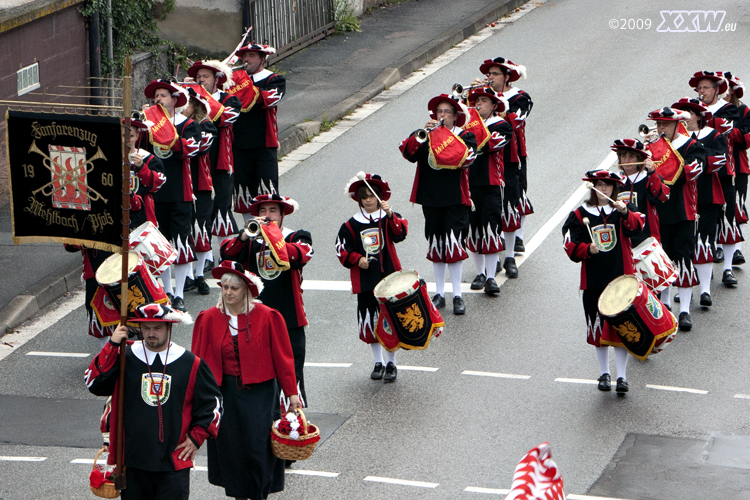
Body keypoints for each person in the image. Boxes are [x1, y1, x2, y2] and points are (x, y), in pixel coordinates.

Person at [85, 303, 222, 500]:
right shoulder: (125, 356)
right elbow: (95, 383)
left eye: (157, 328)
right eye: (146, 328)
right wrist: (112, 344)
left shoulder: (191, 363)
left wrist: (196, 437)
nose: (151, 333)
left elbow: (213, 404)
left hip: (173, 462)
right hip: (132, 460)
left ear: (169, 328)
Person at [192, 261, 301, 499]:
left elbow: (283, 357)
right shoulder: (208, 318)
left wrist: (292, 392)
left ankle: (259, 494)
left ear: (247, 291)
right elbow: (197, 362)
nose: (228, 292)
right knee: (231, 449)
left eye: (234, 288)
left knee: (258, 447)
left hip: (260, 394)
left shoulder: (268, 316)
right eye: (224, 287)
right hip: (224, 393)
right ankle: (240, 495)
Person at [220, 194, 312, 404]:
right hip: (255, 315)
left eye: (273, 211)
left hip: (289, 316)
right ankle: (263, 411)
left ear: (282, 215)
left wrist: (273, 236)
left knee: (291, 367)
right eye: (263, 211)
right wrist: (244, 237)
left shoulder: (297, 236)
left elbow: (300, 256)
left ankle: (291, 420)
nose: (267, 215)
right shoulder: (249, 239)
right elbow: (227, 256)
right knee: (258, 367)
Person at [562, 170, 645, 394]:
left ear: (614, 188)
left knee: (623, 329)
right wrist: (586, 249)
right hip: (594, 280)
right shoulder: (580, 214)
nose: (604, 189)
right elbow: (568, 242)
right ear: (593, 187)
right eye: (600, 184)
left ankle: (622, 376)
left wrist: (626, 212)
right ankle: (604, 374)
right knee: (597, 328)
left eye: (608, 185)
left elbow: (638, 227)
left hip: (621, 279)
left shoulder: (621, 209)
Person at [399, 94, 477, 315]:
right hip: (431, 198)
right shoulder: (426, 135)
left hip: (455, 198)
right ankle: (440, 293)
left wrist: (442, 136)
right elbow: (408, 152)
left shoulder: (465, 135)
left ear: (455, 116)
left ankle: (458, 296)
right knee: (436, 244)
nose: (442, 116)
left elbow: (467, 158)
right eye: (439, 112)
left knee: (454, 246)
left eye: (447, 112)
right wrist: (420, 137)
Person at [335, 174, 408, 381]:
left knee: (391, 322)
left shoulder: (388, 217)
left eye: (372, 196)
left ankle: (392, 363)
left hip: (390, 278)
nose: (368, 200)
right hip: (366, 281)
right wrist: (357, 259)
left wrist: (391, 214)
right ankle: (379, 362)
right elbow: (341, 248)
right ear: (358, 199)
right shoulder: (350, 225)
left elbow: (400, 233)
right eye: (364, 197)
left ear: (379, 197)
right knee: (371, 322)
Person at [143, 79, 202, 311]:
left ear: (174, 100)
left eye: (163, 96)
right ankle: (166, 292)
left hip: (181, 192)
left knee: (181, 244)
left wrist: (168, 131)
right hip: (156, 193)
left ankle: (179, 294)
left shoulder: (187, 125)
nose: (158, 100)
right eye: (156, 96)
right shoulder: (147, 127)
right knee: (162, 246)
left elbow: (190, 149)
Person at [645, 107, 705, 330]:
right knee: (662, 261)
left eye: (665, 124)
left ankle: (686, 311)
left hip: (683, 211)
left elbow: (689, 173)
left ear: (677, 125)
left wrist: (661, 156)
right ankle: (665, 307)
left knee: (684, 260)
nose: (661, 128)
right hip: (658, 211)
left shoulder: (692, 146)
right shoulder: (651, 149)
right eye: (658, 124)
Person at [671, 97, 733, 304]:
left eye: (688, 113)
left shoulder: (713, 136)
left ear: (698, 116)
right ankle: (684, 287)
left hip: (706, 195)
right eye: (680, 114)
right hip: (682, 200)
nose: (684, 118)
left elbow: (718, 162)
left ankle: (705, 290)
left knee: (704, 242)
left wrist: (694, 151)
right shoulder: (673, 142)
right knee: (683, 247)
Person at [473, 57, 533, 255]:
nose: (489, 77)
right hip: (488, 156)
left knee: (516, 196)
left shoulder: (521, 97)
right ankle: (496, 240)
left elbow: (515, 120)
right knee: (490, 202)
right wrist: (476, 97)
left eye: (494, 74)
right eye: (488, 74)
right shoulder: (484, 97)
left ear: (507, 77)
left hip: (512, 154)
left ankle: (518, 237)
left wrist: (494, 99)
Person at [187, 60, 242, 269]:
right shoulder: (191, 101)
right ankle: (206, 256)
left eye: (206, 76)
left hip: (221, 163)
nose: (201, 80)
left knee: (222, 207)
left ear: (217, 80)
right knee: (201, 211)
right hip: (197, 163)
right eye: (198, 77)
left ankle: (226, 254)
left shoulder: (230, 100)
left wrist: (201, 96)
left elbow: (226, 118)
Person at [463, 86, 513, 292]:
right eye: (476, 101)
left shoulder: (501, 125)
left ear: (494, 106)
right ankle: (480, 273)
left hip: (491, 183)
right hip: (468, 184)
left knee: (491, 228)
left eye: (483, 101)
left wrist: (470, 128)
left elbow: (490, 145)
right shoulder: (465, 126)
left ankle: (491, 276)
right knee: (473, 230)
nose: (478, 104)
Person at [231, 43, 285, 218]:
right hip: (238, 145)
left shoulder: (274, 80)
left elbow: (268, 99)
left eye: (251, 56)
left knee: (266, 193)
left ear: (262, 58)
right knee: (243, 192)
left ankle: (268, 233)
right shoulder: (233, 82)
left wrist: (243, 84)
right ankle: (250, 233)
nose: (246, 60)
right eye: (244, 56)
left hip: (264, 145)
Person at [182, 88, 218, 295]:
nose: (182, 108)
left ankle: (199, 274)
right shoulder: (172, 125)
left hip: (201, 184)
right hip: (180, 185)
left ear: (195, 107)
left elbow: (199, 148)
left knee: (202, 227)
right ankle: (187, 275)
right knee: (183, 229)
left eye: (186, 104)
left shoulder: (206, 126)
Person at [612, 138, 668, 248]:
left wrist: (652, 172)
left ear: (640, 159)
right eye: (623, 156)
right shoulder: (614, 182)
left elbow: (661, 197)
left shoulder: (649, 178)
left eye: (631, 156)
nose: (627, 161)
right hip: (624, 239)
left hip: (648, 238)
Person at [719, 71, 750, 265]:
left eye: (727, 87)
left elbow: (746, 140)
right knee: (719, 207)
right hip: (718, 166)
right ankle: (720, 247)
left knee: (737, 204)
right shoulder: (710, 111)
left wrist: (730, 130)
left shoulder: (744, 111)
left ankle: (737, 249)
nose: (724, 91)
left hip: (738, 165)